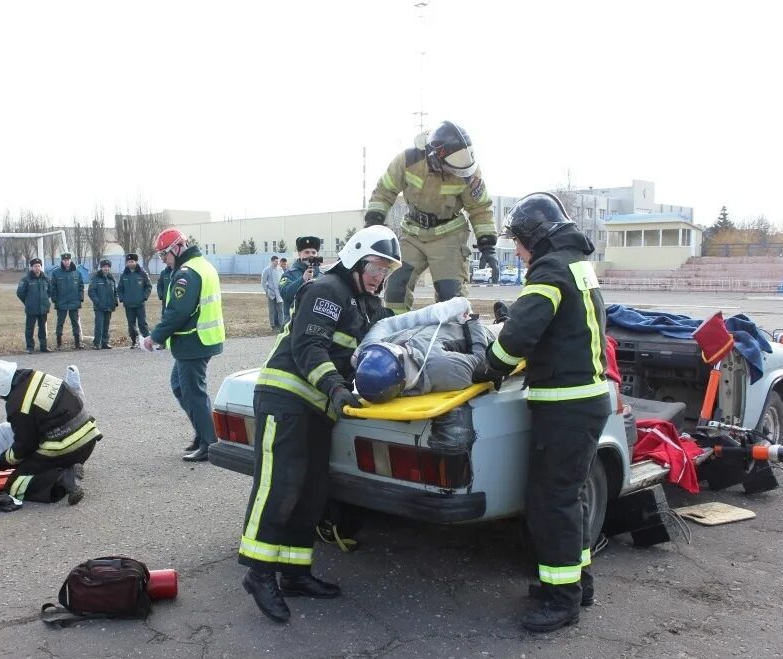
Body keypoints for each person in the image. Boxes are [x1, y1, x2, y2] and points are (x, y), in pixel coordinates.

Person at [239, 225, 401, 623]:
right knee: (278, 488)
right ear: (358, 258)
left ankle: (294, 573)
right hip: (286, 399)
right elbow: (308, 345)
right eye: (378, 267)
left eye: (387, 270)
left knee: (311, 493)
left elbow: (396, 325)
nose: (382, 277)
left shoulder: (365, 303)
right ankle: (259, 574)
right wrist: (334, 386)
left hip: (317, 408)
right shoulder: (327, 290)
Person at [474, 192, 610, 633]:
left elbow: (518, 338)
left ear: (534, 236)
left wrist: (488, 368)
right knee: (565, 498)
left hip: (565, 405)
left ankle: (562, 599)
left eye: (517, 240)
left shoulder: (549, 269)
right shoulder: (575, 264)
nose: (515, 248)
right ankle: (577, 581)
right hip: (583, 400)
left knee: (551, 503)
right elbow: (561, 324)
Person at [365, 120, 497, 313]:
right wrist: (373, 224)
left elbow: (480, 208)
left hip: (449, 236)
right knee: (395, 287)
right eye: (451, 168)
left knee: (450, 296)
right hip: (412, 233)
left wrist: (488, 246)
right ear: (436, 156)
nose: (455, 173)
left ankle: (449, 338)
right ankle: (395, 330)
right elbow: (384, 191)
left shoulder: (469, 171)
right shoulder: (408, 160)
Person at [142, 228, 225, 462]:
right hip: (197, 340)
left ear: (178, 248)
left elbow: (178, 311)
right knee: (180, 386)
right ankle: (203, 434)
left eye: (164, 254)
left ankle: (210, 444)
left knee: (193, 394)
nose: (163, 260)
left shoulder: (187, 273)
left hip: (194, 341)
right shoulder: (201, 265)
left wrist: (155, 337)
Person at [0, 359, 98, 504]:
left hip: (67, 446)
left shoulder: (18, 405)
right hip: (88, 439)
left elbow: (25, 446)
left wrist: (4, 460)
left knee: (17, 484)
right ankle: (68, 468)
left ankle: (63, 478)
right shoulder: (32, 375)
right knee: (37, 460)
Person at [352, 297, 500, 403]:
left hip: (449, 325)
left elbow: (383, 326)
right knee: (509, 328)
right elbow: (481, 359)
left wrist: (438, 312)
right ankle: (504, 321)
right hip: (481, 334)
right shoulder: (442, 367)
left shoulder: (381, 355)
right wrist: (472, 321)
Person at [278, 236, 322, 321]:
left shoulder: (323, 275)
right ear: (299, 254)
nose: (311, 255)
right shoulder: (289, 274)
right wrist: (303, 279)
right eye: (307, 252)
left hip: (316, 323)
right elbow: (285, 294)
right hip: (294, 323)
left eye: (313, 252)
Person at [50, 252, 84, 350]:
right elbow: (53, 288)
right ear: (62, 261)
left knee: (75, 322)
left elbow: (81, 287)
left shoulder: (77, 272)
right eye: (64, 260)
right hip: (61, 302)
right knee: (60, 322)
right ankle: (59, 344)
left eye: (68, 260)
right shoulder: (56, 273)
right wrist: (55, 299)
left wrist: (80, 298)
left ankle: (77, 344)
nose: (66, 262)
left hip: (74, 302)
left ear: (71, 260)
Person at [16, 257, 52, 354]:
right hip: (31, 309)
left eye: (39, 266)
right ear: (31, 267)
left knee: (43, 328)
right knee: (29, 329)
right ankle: (30, 347)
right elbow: (20, 293)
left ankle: (43, 346)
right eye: (35, 266)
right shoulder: (26, 279)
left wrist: (44, 300)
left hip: (43, 308)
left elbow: (50, 291)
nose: (37, 268)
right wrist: (27, 302)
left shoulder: (46, 279)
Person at [118, 253, 152, 349]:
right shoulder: (124, 275)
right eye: (128, 262)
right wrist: (122, 299)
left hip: (140, 304)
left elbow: (148, 286)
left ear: (136, 262)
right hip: (128, 305)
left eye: (132, 261)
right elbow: (119, 289)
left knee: (142, 324)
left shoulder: (142, 273)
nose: (130, 263)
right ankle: (134, 341)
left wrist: (144, 297)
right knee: (131, 325)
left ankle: (147, 342)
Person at [88, 259, 118, 350]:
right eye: (104, 267)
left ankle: (105, 342)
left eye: (108, 267)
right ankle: (97, 343)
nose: (106, 268)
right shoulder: (96, 278)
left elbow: (115, 291)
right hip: (99, 307)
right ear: (101, 267)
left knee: (106, 325)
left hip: (109, 306)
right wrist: (97, 302)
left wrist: (115, 301)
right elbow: (91, 291)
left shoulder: (111, 278)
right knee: (99, 325)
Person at [261, 255, 283, 331]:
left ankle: (281, 324)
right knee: (272, 310)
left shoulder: (280, 269)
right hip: (271, 294)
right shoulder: (267, 270)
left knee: (280, 310)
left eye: (278, 261)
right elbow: (263, 282)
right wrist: (267, 291)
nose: (277, 263)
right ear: (272, 261)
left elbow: (283, 279)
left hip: (279, 293)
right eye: (276, 261)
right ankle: (272, 325)